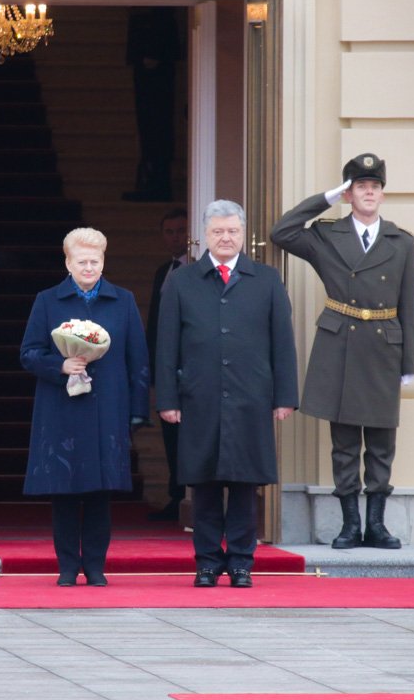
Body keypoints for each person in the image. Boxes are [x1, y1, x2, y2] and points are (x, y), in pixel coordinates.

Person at [270, 153, 414, 550]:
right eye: (359, 187)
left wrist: (409, 361)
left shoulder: (401, 241)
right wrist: (326, 198)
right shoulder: (326, 236)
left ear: (382, 194)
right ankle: (351, 525)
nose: (368, 192)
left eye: (374, 187)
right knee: (345, 443)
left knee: (382, 443)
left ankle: (377, 526)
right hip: (342, 344)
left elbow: (410, 303)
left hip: (384, 346)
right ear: (349, 194)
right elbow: (282, 232)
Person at [156, 200, 298, 588]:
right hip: (198, 397)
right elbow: (166, 345)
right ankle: (206, 563)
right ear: (204, 235)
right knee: (202, 484)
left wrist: (284, 396)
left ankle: (240, 563)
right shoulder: (182, 281)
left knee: (244, 484)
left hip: (250, 397)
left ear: (243, 234)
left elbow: (282, 342)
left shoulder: (266, 279)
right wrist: (167, 399)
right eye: (218, 231)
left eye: (233, 231)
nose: (225, 238)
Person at [20, 227, 150, 586]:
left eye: (95, 261)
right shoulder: (48, 300)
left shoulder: (122, 300)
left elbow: (138, 359)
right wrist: (60, 365)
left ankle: (94, 566)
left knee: (99, 491)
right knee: (63, 490)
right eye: (82, 262)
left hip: (107, 407)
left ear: (103, 261)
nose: (89, 267)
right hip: (60, 408)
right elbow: (28, 353)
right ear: (68, 263)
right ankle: (66, 566)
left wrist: (137, 411)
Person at [146, 207, 190, 521]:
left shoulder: (197, 271)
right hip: (166, 367)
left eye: (181, 231)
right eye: (169, 232)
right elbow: (155, 323)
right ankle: (177, 496)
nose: (176, 238)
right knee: (171, 434)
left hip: (191, 365)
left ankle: (191, 498)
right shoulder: (163, 270)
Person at [123, 6, 180, 202]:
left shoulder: (160, 20)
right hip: (150, 64)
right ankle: (153, 178)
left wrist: (153, 51)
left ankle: (158, 180)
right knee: (148, 125)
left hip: (157, 71)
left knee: (157, 125)